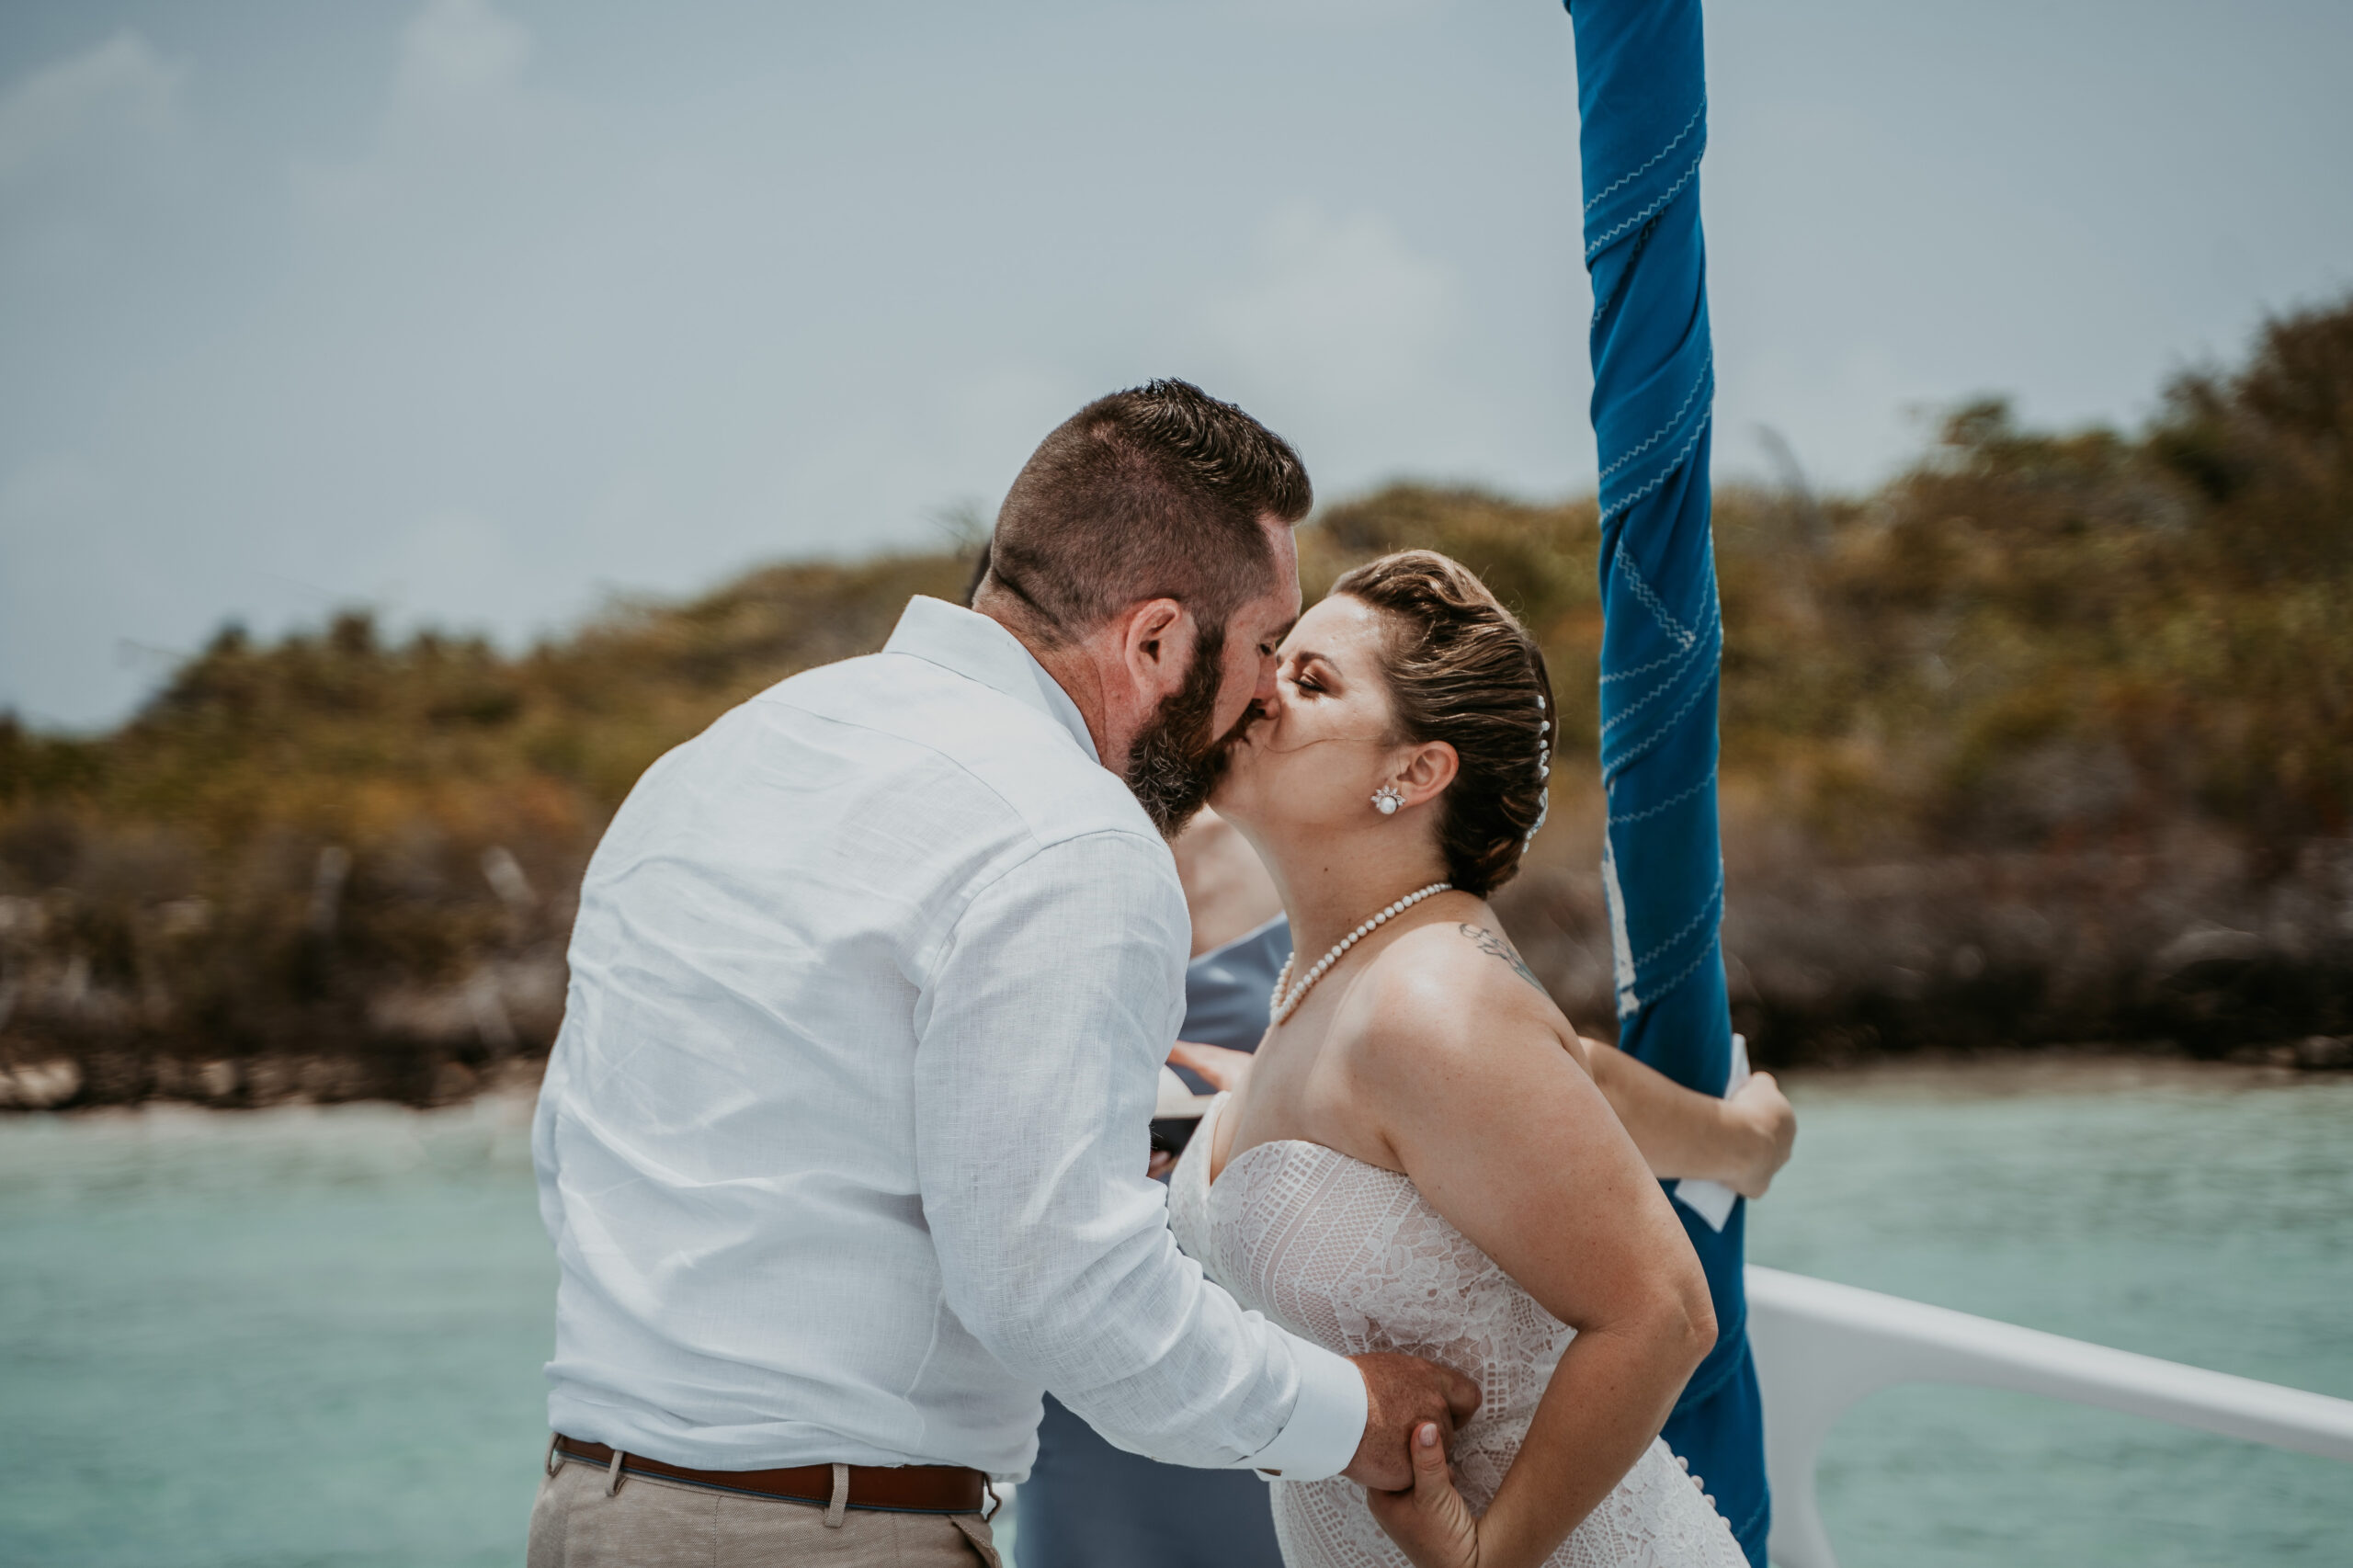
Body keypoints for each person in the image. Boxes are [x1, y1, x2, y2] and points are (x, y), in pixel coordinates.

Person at [527, 382, 1478, 1567]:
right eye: (1261, 648)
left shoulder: (707, 763)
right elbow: (1059, 1292)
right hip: (829, 1533)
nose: (1260, 695)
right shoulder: (1071, 836)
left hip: (584, 1510)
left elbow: (573, 1155)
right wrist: (1353, 1415)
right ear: (1156, 641)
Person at [1170, 550, 1752, 1567]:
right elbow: (1563, 1075)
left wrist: (1488, 1557)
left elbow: (1661, 1311)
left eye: (1311, 683)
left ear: (1413, 771)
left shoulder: (1429, 998)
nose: (1259, 693)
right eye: (1275, 661)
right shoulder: (1332, 980)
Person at [1023, 808, 1794, 1567]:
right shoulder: (1030, 846)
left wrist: (1738, 1143)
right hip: (1117, 1390)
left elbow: (1531, 1076)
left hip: (1376, 1442)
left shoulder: (1315, 843)